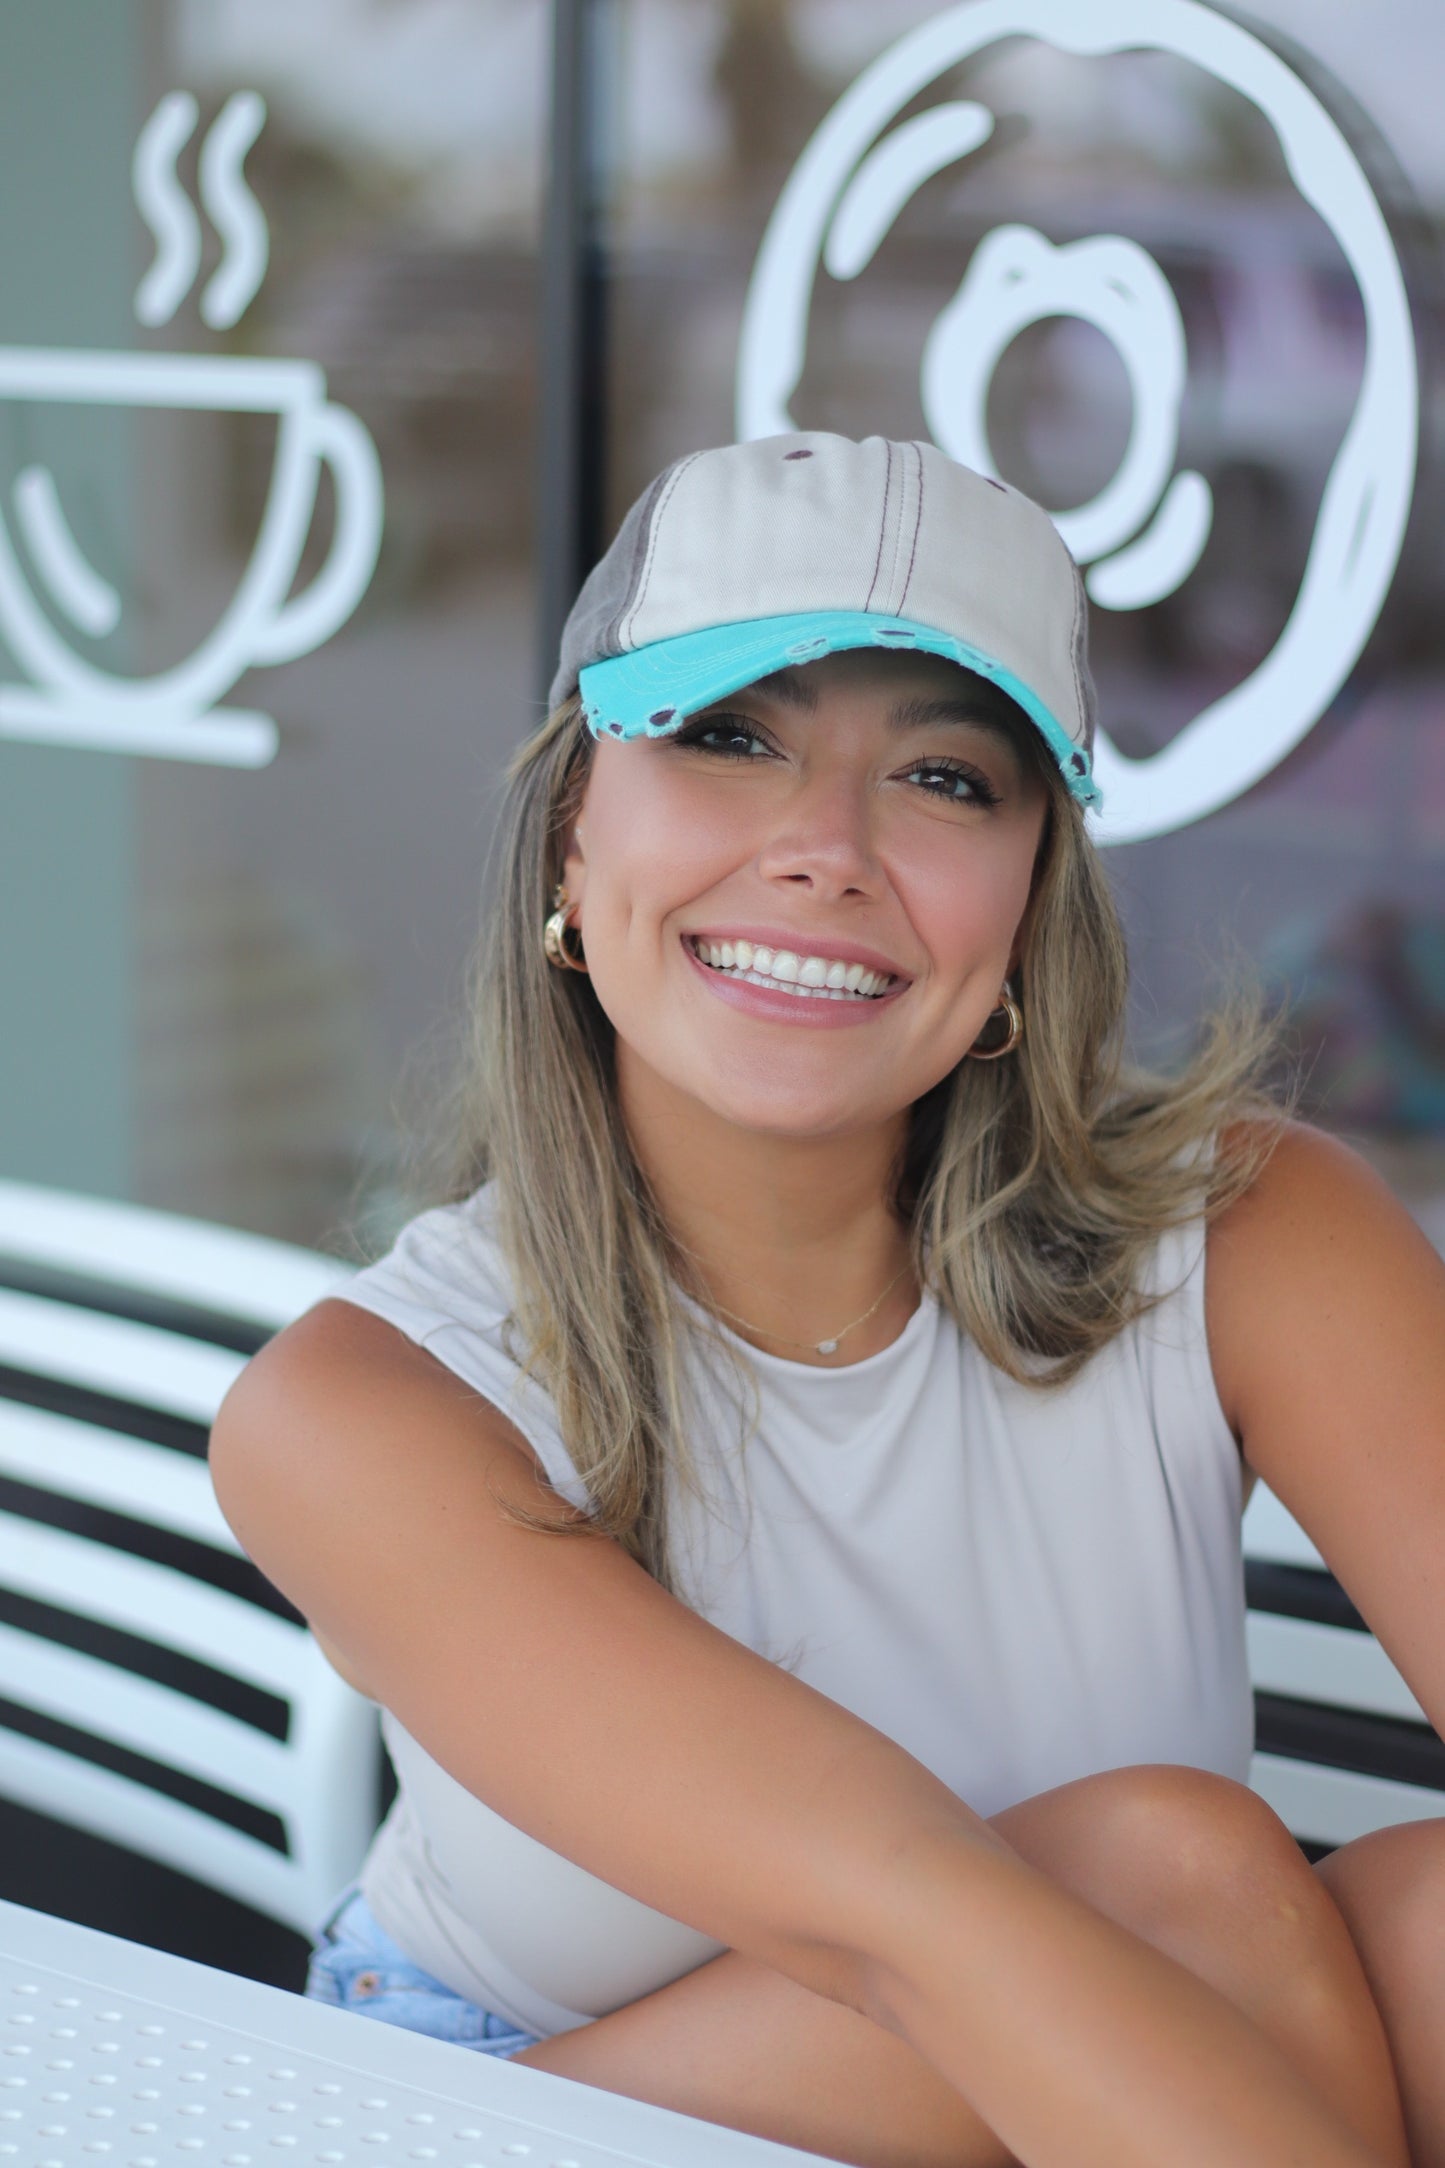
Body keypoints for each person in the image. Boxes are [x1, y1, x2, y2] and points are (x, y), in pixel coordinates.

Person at [210, 434, 1445, 2168]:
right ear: (574, 833)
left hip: (1071, 2023)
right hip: (497, 2109)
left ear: (1024, 901)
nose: (825, 850)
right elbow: (911, 1920)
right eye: (726, 739)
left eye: (946, 779)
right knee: (1175, 1883)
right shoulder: (367, 1409)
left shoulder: (1245, 1233)